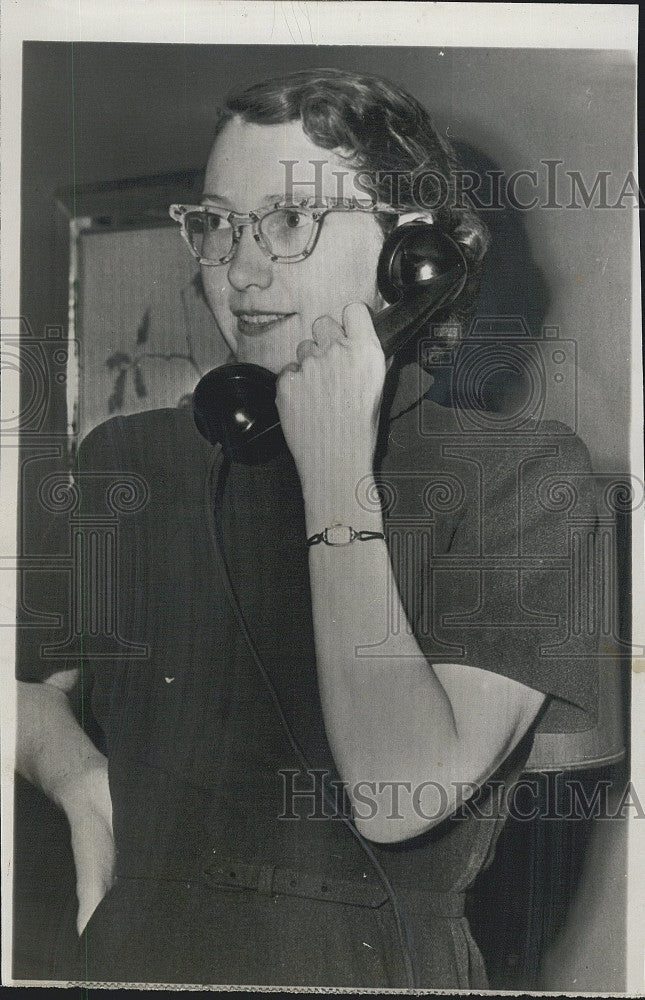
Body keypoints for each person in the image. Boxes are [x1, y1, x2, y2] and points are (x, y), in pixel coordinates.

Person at [16, 67, 598, 988]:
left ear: (411, 255)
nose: (239, 272)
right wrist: (80, 782)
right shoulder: (127, 458)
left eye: (289, 223)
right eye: (215, 225)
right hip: (139, 954)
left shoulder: (526, 478)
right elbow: (20, 693)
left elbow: (392, 793)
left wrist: (335, 480)